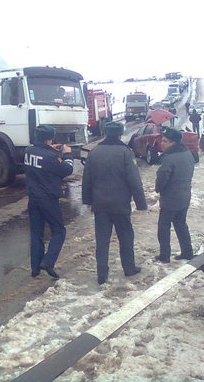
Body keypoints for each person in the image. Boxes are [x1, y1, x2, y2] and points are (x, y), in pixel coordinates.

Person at [82, 121, 147, 285]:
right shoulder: (126, 152)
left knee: (102, 239)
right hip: (120, 205)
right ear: (120, 134)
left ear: (105, 133)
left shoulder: (94, 152)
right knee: (126, 236)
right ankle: (129, 268)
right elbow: (134, 180)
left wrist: (88, 200)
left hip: (100, 205)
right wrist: (141, 204)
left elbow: (86, 180)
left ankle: (101, 274)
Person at [24, 125, 74, 279]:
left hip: (33, 197)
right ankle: (48, 261)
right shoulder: (51, 157)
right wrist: (67, 155)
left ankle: (35, 268)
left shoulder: (28, 151)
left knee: (36, 233)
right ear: (49, 138)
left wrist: (50, 148)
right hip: (48, 199)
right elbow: (67, 170)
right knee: (59, 231)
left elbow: (42, 156)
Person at [154, 128, 195, 263]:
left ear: (173, 143)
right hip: (184, 197)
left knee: (163, 227)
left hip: (171, 199)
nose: (162, 143)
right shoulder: (187, 154)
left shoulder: (169, 158)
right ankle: (187, 252)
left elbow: (162, 178)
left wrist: (158, 188)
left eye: (165, 141)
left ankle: (164, 256)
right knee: (181, 224)